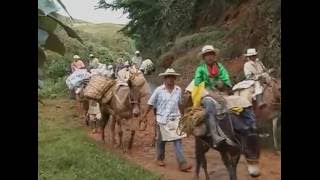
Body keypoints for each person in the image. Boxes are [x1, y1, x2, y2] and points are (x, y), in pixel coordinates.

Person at [191, 45, 261, 176]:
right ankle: (215, 135)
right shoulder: (200, 69)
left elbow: (227, 81)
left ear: (214, 55)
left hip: (222, 94)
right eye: (207, 54)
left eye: (211, 54)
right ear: (204, 57)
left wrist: (223, 85)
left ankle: (251, 127)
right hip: (206, 94)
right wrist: (210, 93)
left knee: (243, 101)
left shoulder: (220, 67)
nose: (210, 56)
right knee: (210, 105)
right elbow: (197, 85)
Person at [143, 68, 192, 172]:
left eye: (172, 77)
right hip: (162, 119)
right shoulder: (159, 90)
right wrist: (144, 116)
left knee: (177, 140)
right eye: (168, 77)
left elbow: (179, 104)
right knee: (161, 141)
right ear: (164, 79)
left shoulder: (178, 90)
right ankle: (160, 158)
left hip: (175, 119)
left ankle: (182, 163)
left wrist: (183, 115)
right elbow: (151, 103)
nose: (170, 79)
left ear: (175, 78)